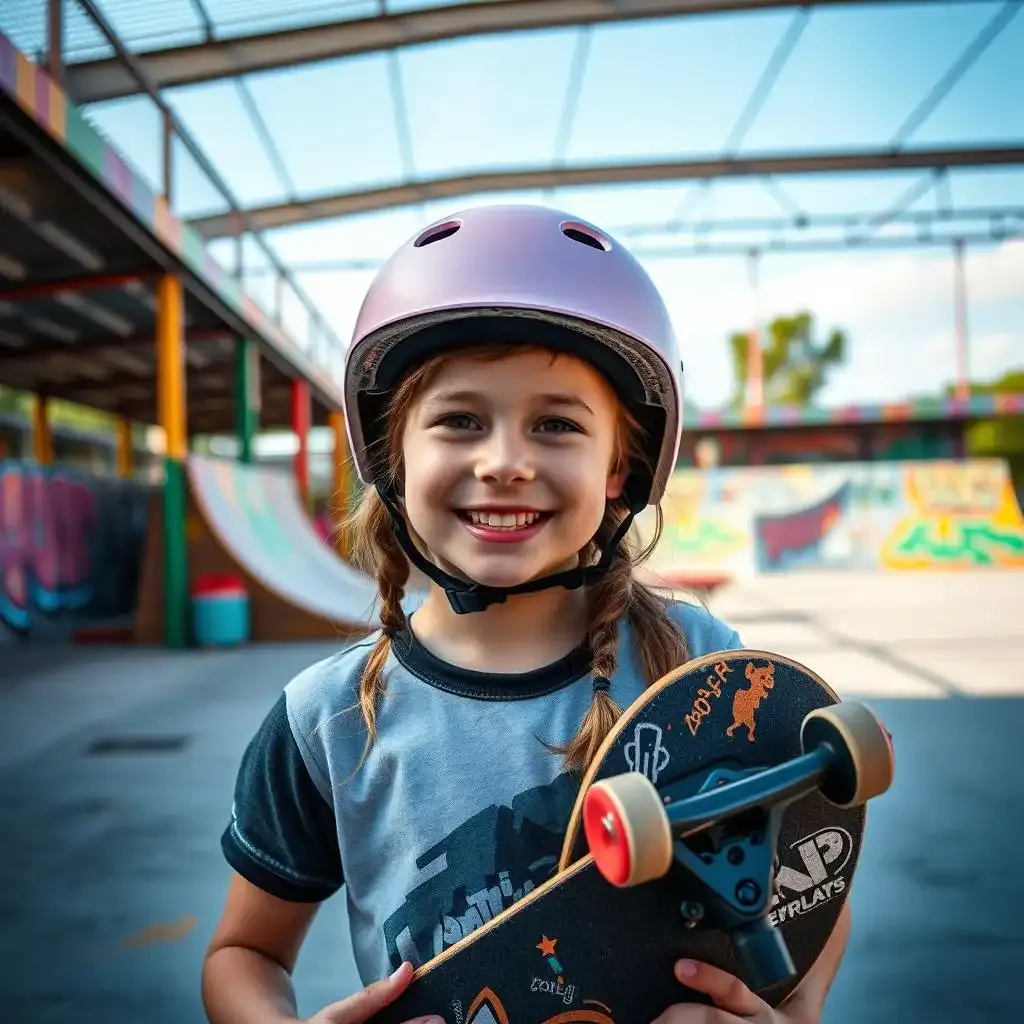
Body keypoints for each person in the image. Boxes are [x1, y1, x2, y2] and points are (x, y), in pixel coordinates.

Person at [201, 205, 851, 1024]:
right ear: (392, 456)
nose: (505, 461)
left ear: (621, 468)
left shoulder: (702, 669)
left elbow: (817, 873)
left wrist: (792, 1014)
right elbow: (244, 955)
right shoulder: (325, 723)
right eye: (461, 420)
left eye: (555, 424)